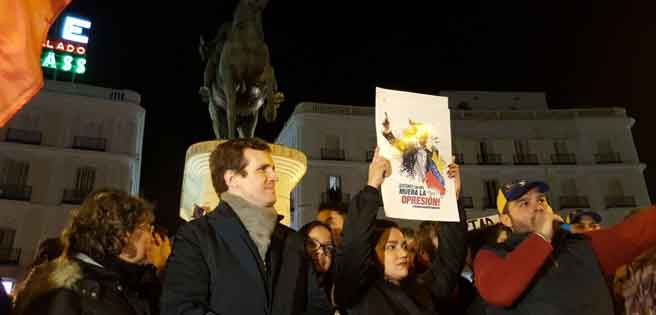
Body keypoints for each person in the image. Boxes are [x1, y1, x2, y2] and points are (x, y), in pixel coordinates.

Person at [161, 138, 315, 315]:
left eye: (273, 169)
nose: (274, 177)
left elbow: (315, 306)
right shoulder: (196, 236)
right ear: (232, 179)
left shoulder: (293, 240)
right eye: (262, 169)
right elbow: (180, 308)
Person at [473, 179, 656, 315]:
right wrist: (541, 237)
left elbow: (634, 234)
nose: (537, 206)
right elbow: (498, 291)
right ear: (506, 220)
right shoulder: (492, 254)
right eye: (524, 203)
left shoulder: (580, 245)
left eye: (541, 200)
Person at [334, 148, 467, 315]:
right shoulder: (358, 293)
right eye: (391, 247)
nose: (403, 253)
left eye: (404, 246)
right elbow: (353, 245)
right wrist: (372, 187)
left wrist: (451, 201)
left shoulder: (422, 288)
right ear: (370, 254)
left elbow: (450, 260)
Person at [13, 189, 156, 315]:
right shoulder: (66, 295)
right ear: (123, 234)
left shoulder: (117, 284)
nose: (151, 237)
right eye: (147, 229)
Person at [300, 221, 337, 315]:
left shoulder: (336, 291)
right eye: (312, 244)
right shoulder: (288, 289)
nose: (320, 251)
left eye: (328, 247)